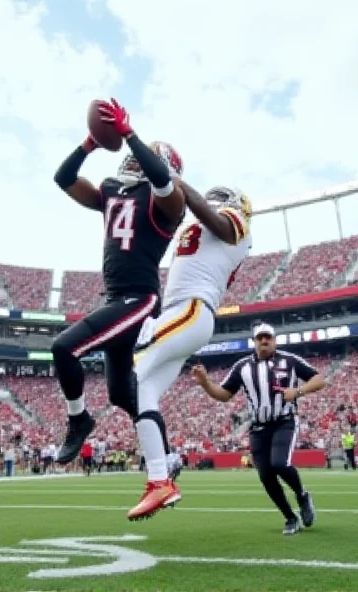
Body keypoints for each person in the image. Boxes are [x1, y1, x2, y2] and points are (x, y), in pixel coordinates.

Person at [51, 98, 186, 464]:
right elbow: (63, 179)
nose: (130, 160)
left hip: (140, 299)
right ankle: (168, 455)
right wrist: (89, 144)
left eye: (139, 157)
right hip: (114, 299)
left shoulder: (170, 203)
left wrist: (129, 134)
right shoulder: (112, 192)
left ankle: (78, 420)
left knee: (64, 348)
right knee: (122, 394)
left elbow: (160, 180)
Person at [126, 182, 252, 520]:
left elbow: (219, 223)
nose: (215, 199)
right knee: (142, 390)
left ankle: (162, 468)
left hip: (192, 309)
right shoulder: (196, 223)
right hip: (177, 312)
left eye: (223, 197)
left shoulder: (236, 226)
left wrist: (175, 182)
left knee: (131, 373)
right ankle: (160, 475)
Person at [191, 323, 326, 535]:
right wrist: (206, 383)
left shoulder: (289, 360)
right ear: (254, 342)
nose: (264, 341)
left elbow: (318, 379)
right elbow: (225, 394)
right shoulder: (242, 366)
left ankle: (302, 495)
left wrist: (298, 391)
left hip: (284, 421)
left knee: (280, 464)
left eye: (268, 337)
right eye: (260, 338)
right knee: (265, 476)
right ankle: (290, 518)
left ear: (274, 340)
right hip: (258, 427)